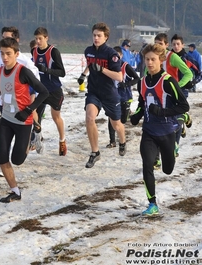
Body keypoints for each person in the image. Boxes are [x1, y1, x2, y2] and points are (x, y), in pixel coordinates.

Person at [0, 37, 49, 202]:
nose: (5, 58)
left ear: (16, 54)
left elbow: (44, 92)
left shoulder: (23, 72)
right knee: (2, 157)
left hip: (23, 122)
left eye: (8, 54)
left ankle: (31, 140)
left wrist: (28, 111)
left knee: (17, 160)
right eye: (2, 54)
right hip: (6, 119)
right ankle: (15, 191)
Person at [129, 43, 189, 216]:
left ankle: (181, 122)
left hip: (167, 131)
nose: (149, 63)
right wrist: (137, 115)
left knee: (168, 170)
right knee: (147, 165)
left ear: (161, 60)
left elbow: (183, 105)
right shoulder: (142, 83)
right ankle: (152, 204)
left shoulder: (168, 81)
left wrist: (163, 112)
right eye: (147, 59)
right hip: (149, 132)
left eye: (153, 59)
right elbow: (143, 103)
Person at [0, 26, 40, 157]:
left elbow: (36, 78)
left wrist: (30, 94)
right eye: (4, 37)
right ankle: (4, 154)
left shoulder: (23, 59)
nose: (5, 40)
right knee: (4, 127)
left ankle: (34, 131)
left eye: (9, 38)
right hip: (3, 97)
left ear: (16, 40)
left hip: (21, 97)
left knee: (24, 120)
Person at [78, 22, 126, 168]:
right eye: (94, 35)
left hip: (109, 94)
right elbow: (90, 64)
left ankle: (122, 141)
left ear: (106, 37)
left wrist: (102, 69)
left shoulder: (111, 54)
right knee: (89, 117)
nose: (96, 38)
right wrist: (83, 74)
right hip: (94, 91)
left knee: (116, 124)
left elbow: (119, 77)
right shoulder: (88, 51)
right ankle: (95, 152)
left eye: (99, 36)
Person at [152, 33, 193, 168]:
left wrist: (178, 86)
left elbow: (188, 73)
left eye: (161, 44)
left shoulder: (172, 57)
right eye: (156, 43)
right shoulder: (152, 56)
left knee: (172, 124)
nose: (158, 46)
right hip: (157, 95)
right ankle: (156, 159)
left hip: (172, 96)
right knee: (156, 125)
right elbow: (147, 74)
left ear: (166, 45)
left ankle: (175, 144)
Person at [32, 27, 67, 156]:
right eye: (36, 39)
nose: (38, 41)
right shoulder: (34, 51)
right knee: (34, 112)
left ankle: (62, 140)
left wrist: (46, 69)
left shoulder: (54, 52)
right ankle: (37, 138)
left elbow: (62, 72)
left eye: (40, 38)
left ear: (46, 38)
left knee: (55, 117)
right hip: (40, 89)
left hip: (54, 90)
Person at [106, 46, 140, 148]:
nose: (114, 57)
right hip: (112, 96)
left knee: (123, 120)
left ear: (120, 55)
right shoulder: (108, 66)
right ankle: (112, 141)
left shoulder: (125, 66)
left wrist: (126, 84)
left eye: (117, 55)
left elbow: (137, 78)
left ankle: (127, 114)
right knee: (112, 118)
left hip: (125, 96)